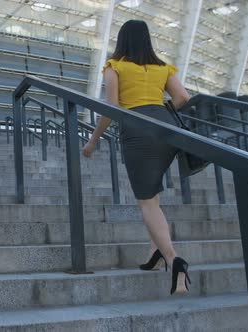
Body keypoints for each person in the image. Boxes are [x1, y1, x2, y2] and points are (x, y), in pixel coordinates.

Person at [81, 20, 191, 295]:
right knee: (151, 195)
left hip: (137, 132)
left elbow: (112, 107)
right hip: (167, 130)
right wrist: (160, 111)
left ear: (122, 40)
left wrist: (93, 141)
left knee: (146, 202)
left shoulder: (115, 66)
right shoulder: (162, 67)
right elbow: (182, 97)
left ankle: (172, 259)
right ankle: (154, 255)